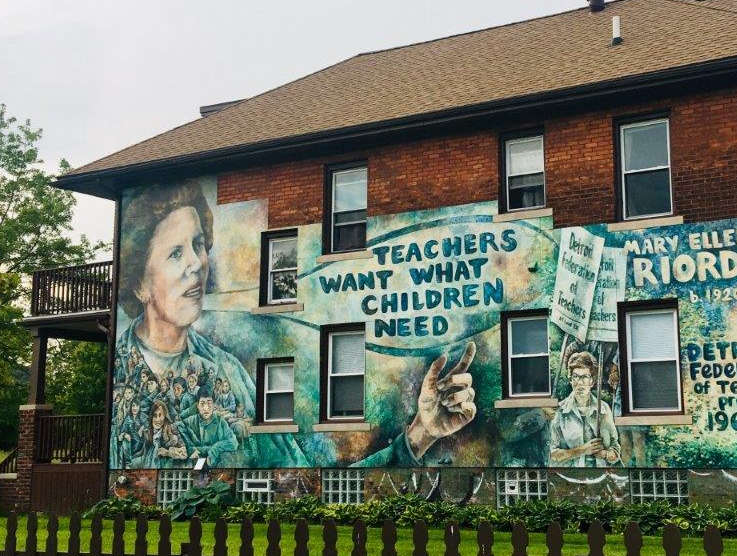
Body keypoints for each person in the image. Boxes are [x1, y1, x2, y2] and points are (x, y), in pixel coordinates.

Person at [112, 180, 478, 470]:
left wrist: (420, 433)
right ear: (139, 283)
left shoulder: (228, 374)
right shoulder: (121, 370)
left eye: (198, 244)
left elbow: (303, 484)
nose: (196, 263)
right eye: (175, 253)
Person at [549, 351, 621, 467]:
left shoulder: (603, 408)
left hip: (600, 473)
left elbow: (615, 446)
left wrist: (606, 454)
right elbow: (553, 455)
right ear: (570, 380)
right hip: (571, 473)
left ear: (592, 381)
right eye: (575, 377)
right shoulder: (560, 411)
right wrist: (582, 450)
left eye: (585, 377)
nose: (580, 382)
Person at [180, 388, 238, 467]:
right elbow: (178, 425)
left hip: (214, 462)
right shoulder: (191, 421)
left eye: (209, 403)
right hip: (198, 460)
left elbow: (233, 442)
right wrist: (190, 448)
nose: (206, 408)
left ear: (213, 405)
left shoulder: (220, 422)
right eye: (202, 404)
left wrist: (215, 448)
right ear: (197, 406)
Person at [141, 400, 188, 468]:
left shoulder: (172, 429)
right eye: (155, 416)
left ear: (165, 416)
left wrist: (168, 453)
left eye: (160, 415)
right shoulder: (148, 432)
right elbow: (144, 454)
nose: (157, 419)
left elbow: (185, 453)